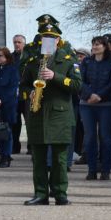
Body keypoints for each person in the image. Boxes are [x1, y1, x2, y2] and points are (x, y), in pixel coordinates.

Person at [21, 16, 81, 205]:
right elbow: (22, 87)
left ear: (57, 40)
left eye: (51, 37)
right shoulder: (32, 62)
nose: (46, 40)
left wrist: (55, 76)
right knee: (38, 158)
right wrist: (29, 93)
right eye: (43, 37)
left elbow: (78, 86)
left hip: (60, 115)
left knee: (59, 159)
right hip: (37, 114)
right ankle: (40, 194)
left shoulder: (69, 60)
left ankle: (60, 193)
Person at [77, 35, 111, 181]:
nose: (94, 47)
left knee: (106, 138)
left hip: (105, 104)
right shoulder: (86, 62)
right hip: (86, 104)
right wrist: (89, 95)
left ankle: (105, 170)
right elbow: (80, 81)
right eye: (93, 44)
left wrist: (99, 95)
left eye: (98, 44)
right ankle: (92, 169)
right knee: (90, 138)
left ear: (105, 47)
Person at [11, 34, 27, 153]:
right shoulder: (10, 58)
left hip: (26, 94)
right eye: (15, 42)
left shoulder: (29, 56)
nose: (17, 44)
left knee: (30, 122)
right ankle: (15, 146)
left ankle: (31, 147)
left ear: (24, 43)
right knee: (15, 122)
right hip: (14, 95)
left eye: (19, 42)